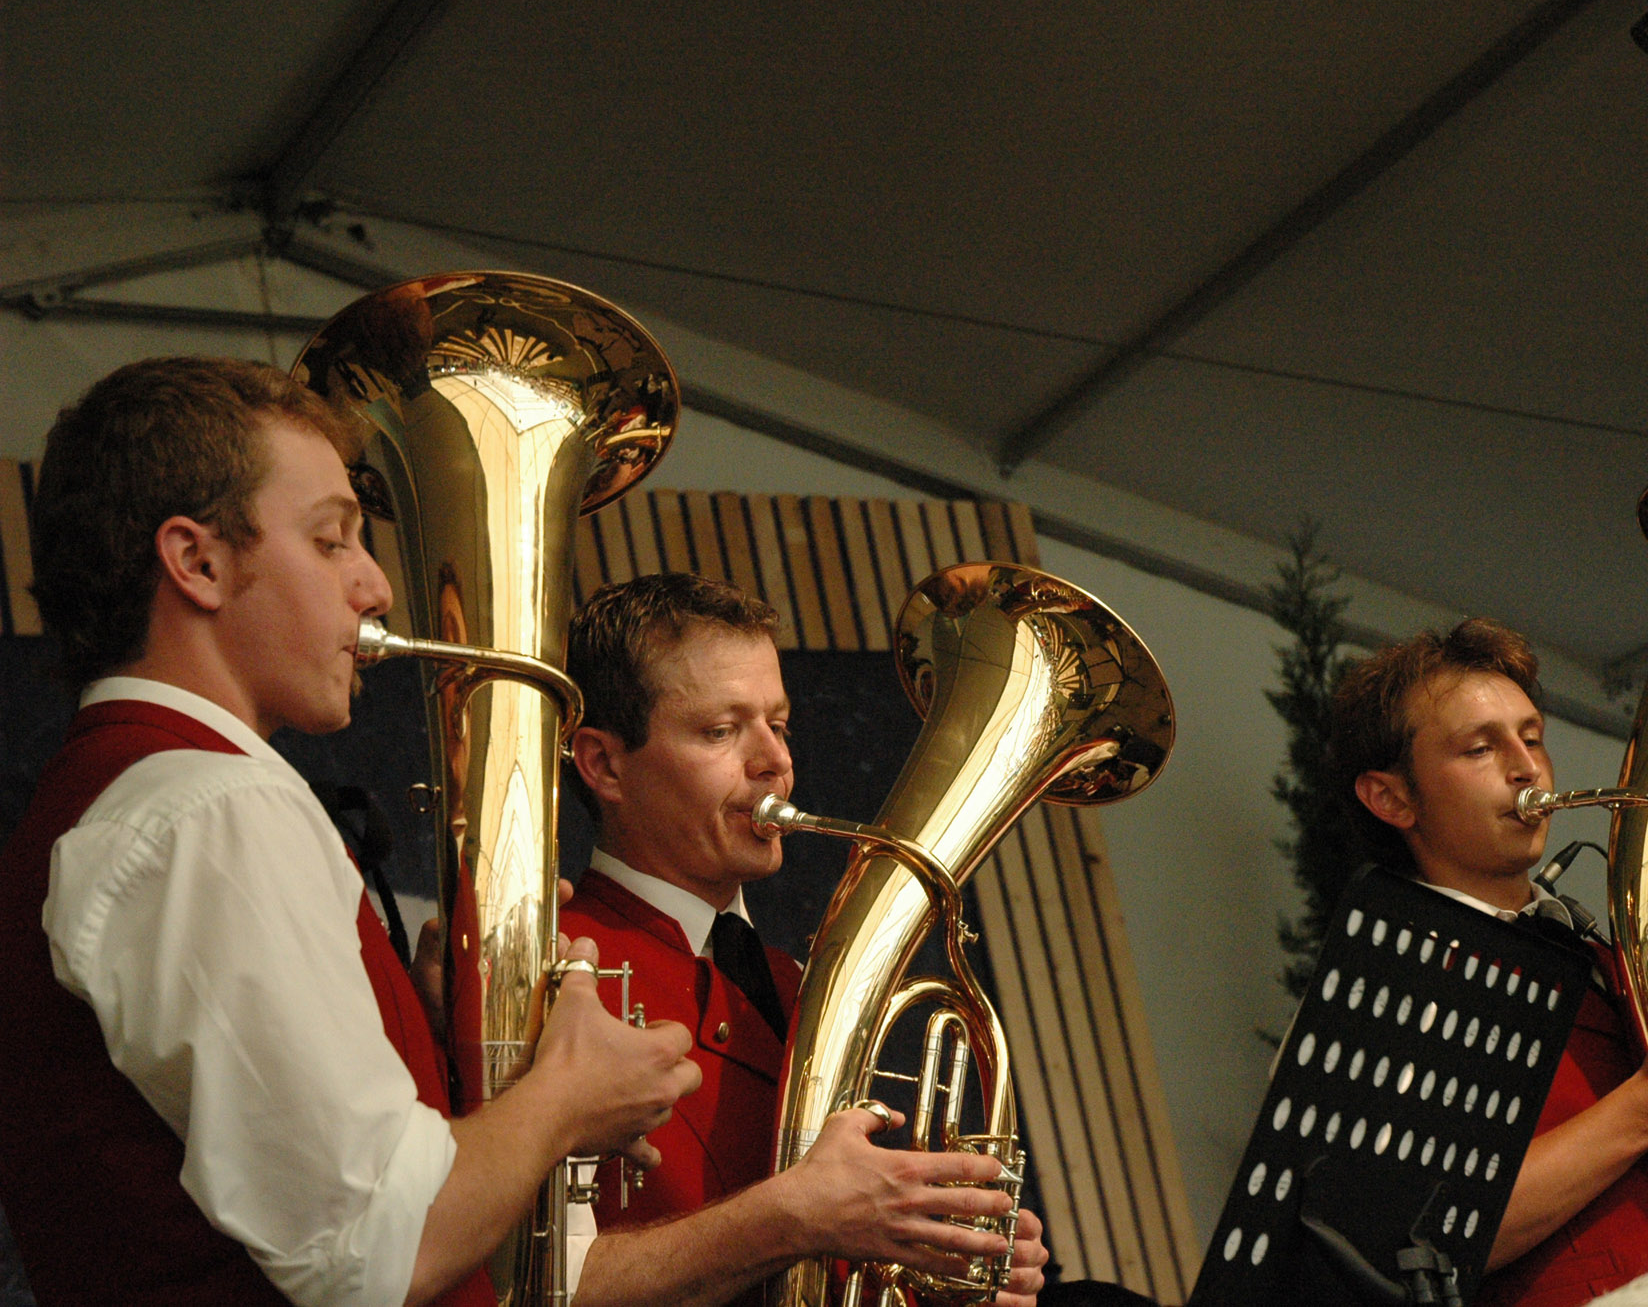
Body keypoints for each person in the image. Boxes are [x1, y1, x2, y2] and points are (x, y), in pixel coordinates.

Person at [0, 357, 1011, 1307]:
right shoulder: (210, 808)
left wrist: (424, 1042)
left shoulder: (139, 793)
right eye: (332, 538)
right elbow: (377, 1249)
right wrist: (565, 1096)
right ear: (198, 561)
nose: (375, 586)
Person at [562, 572, 1048, 1307]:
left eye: (779, 726)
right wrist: (795, 1216)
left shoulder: (796, 982)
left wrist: (930, 1268)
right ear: (604, 764)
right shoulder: (554, 963)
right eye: (720, 731)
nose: (775, 762)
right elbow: (526, 1286)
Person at [1329, 618, 1648, 1307]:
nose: (1527, 767)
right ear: (1391, 797)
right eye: (1480, 748)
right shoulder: (1385, 986)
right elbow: (1418, 1232)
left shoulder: (1607, 962)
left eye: (1531, 737)